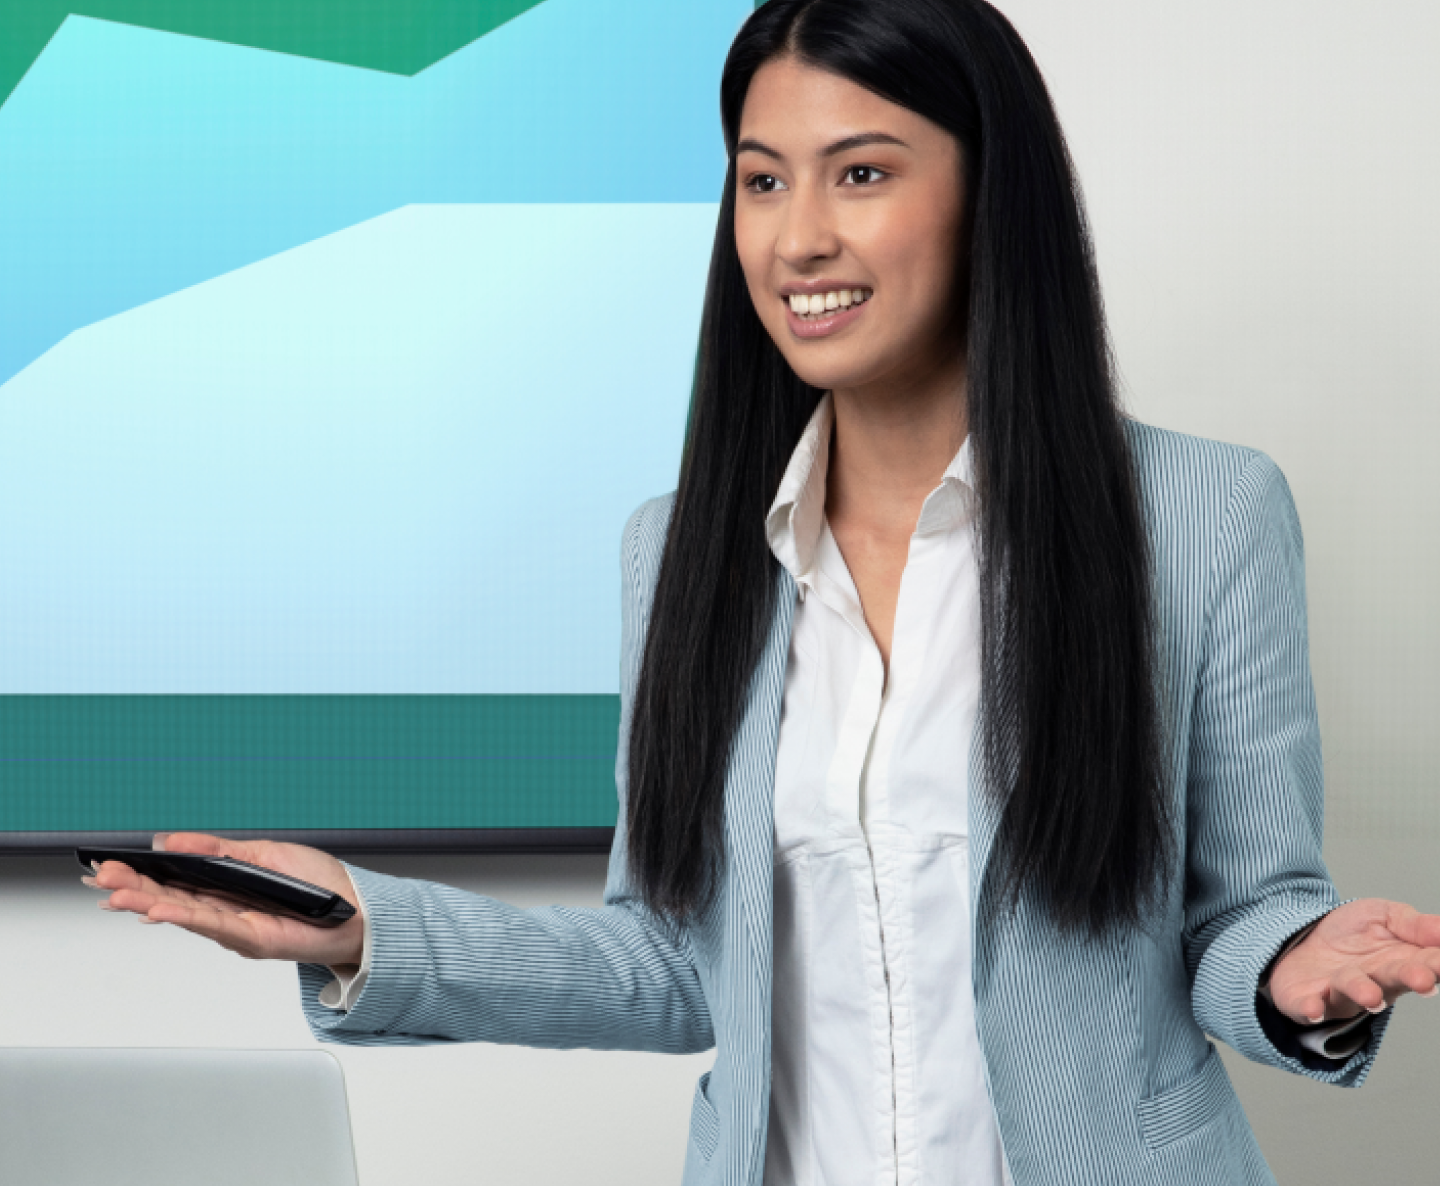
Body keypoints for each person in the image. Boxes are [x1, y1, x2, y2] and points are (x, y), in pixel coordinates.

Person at [88, 1, 1440, 1183]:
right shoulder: (677, 550)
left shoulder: (1204, 517)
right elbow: (674, 959)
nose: (798, 238)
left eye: (860, 173)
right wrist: (364, 920)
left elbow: (1239, 911)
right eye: (759, 181)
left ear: (991, 195)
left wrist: (1285, 970)